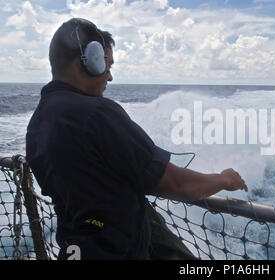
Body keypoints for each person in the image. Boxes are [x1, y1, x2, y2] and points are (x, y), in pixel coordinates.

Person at [25, 18, 247, 260]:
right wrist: (224, 179)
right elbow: (178, 185)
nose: (109, 77)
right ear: (91, 61)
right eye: (107, 65)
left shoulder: (38, 123)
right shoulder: (98, 114)